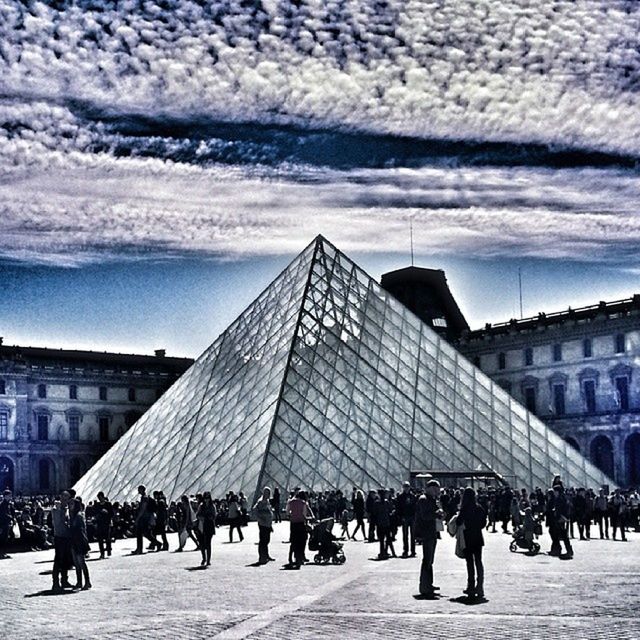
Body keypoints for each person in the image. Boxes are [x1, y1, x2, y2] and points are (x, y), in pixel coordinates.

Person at [456, 487, 487, 598]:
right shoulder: (479, 508)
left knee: (470, 563)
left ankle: (471, 586)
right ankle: (480, 587)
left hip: (468, 537)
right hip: (478, 538)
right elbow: (484, 523)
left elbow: (458, 522)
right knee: (479, 562)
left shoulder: (464, 509)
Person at [414, 480, 442, 597]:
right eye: (437, 488)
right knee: (427, 560)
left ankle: (428, 584)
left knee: (430, 560)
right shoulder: (424, 500)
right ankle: (425, 586)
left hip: (431, 532)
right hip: (427, 533)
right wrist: (436, 513)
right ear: (430, 488)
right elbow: (425, 516)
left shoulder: (430, 499)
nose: (438, 491)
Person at [51, 490, 74, 592]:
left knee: (65, 560)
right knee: (58, 560)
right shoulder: (57, 508)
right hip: (59, 536)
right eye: (64, 497)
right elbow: (58, 522)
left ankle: (64, 580)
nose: (65, 500)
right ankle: (55, 582)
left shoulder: (67, 509)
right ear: (60, 497)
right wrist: (61, 510)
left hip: (66, 536)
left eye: (67, 498)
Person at [286, 490, 314, 568]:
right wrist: (310, 518)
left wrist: (291, 516)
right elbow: (304, 515)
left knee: (293, 541)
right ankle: (299, 558)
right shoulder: (303, 503)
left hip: (293, 524)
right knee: (301, 541)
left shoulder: (290, 502)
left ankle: (290, 557)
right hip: (301, 524)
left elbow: (287, 512)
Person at [70, 499, 91, 590]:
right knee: (76, 563)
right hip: (74, 540)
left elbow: (82, 530)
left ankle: (87, 582)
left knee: (81, 562)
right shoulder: (73, 515)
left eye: (72, 504)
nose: (70, 506)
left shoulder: (79, 516)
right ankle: (79, 582)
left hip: (79, 541)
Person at [133, 485, 159, 554]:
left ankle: (139, 549)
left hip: (144, 518)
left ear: (142, 490)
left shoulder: (144, 498)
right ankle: (157, 543)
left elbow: (143, 509)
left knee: (140, 533)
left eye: (139, 489)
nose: (138, 490)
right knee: (146, 533)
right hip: (145, 517)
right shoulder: (145, 497)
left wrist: (138, 518)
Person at [253, 486, 274, 564]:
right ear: (264, 493)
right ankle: (262, 556)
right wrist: (260, 518)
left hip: (267, 524)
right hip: (263, 524)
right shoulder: (261, 501)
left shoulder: (267, 501)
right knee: (263, 541)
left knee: (267, 540)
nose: (268, 494)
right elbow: (255, 510)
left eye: (269, 493)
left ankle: (266, 555)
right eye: (267, 493)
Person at [396, 481, 417, 558]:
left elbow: (415, 507)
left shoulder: (413, 496)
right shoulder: (400, 497)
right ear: (403, 488)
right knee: (405, 535)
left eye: (407, 487)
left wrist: (415, 516)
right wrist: (401, 517)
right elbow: (398, 508)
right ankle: (406, 550)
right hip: (405, 517)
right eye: (405, 487)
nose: (406, 488)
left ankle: (413, 550)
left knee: (413, 535)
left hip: (412, 517)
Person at [196, 492, 217, 566]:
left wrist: (210, 517)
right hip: (202, 526)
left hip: (210, 525)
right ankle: (204, 558)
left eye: (208, 498)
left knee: (208, 543)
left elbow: (214, 515)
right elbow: (197, 515)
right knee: (202, 544)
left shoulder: (212, 506)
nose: (206, 500)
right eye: (205, 498)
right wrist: (202, 518)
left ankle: (208, 560)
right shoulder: (201, 506)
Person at [95, 492, 113, 559]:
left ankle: (108, 550)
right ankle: (102, 553)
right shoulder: (97, 505)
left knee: (107, 538)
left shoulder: (108, 504)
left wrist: (106, 512)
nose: (99, 499)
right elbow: (95, 513)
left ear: (103, 497)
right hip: (100, 523)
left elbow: (111, 513)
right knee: (100, 539)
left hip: (106, 523)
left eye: (100, 497)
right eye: (98, 498)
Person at [0, 489, 14, 560]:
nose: (10, 497)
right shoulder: (3, 504)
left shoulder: (8, 504)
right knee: (3, 539)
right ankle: (2, 553)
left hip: (7, 523)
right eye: (9, 496)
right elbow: (3, 514)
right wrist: (10, 517)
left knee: (6, 538)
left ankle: (4, 553)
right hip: (3, 524)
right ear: (5, 496)